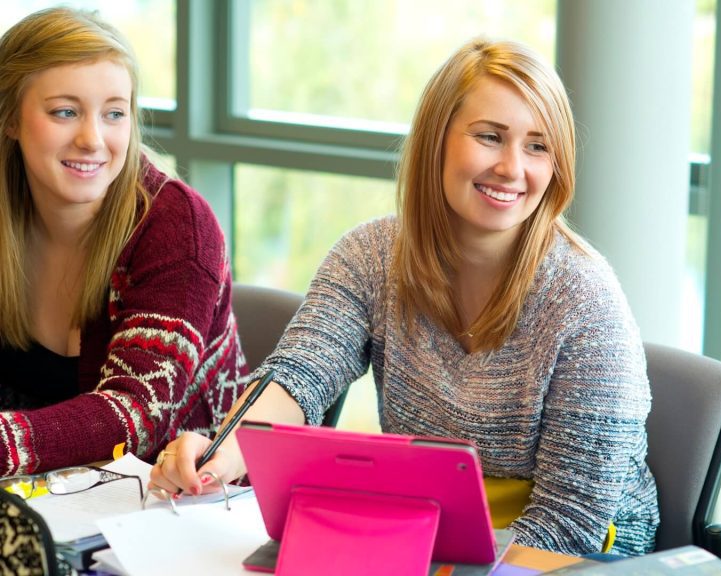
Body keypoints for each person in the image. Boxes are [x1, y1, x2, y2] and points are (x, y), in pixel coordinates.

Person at [150, 38, 658, 557]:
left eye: (537, 146)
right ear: (436, 141)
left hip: (583, 551)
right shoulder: (371, 255)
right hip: (430, 524)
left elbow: (570, 520)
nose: (511, 167)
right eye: (489, 136)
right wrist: (218, 458)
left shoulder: (585, 300)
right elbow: (297, 379)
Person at [0, 8, 246, 477]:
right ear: (10, 117)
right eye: (65, 112)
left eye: (114, 113)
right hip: (34, 499)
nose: (93, 139)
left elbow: (134, 416)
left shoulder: (176, 226)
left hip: (170, 510)